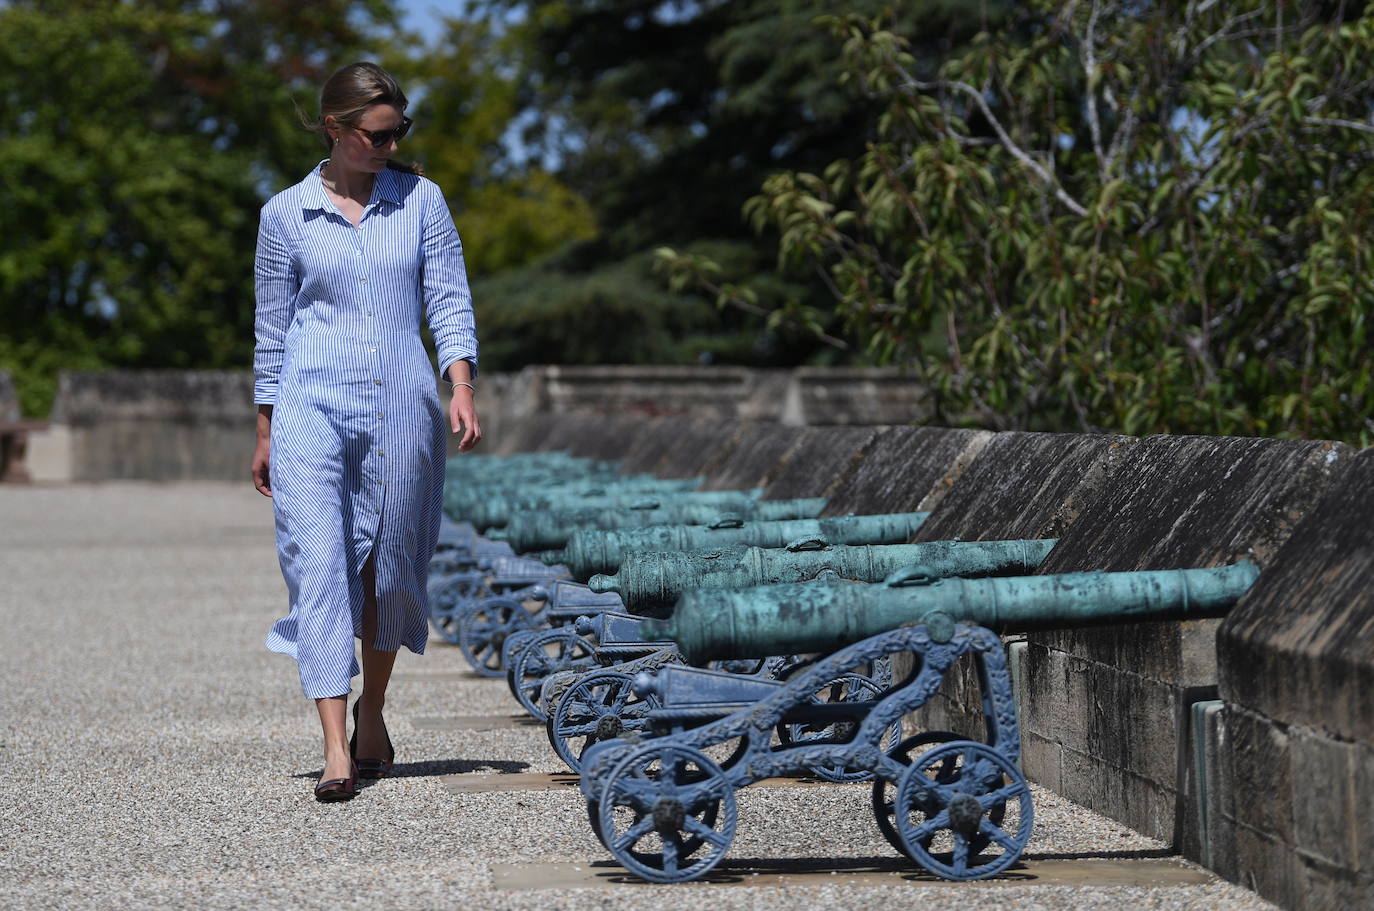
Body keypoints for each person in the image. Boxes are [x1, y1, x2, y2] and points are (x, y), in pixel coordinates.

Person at [250, 61, 480, 802]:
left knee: (390, 566)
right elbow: (271, 330)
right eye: (376, 136)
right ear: (335, 129)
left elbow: (448, 297)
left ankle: (371, 713)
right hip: (310, 406)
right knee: (318, 564)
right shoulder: (284, 214)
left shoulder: (422, 202)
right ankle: (333, 748)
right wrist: (264, 430)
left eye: (397, 134)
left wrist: (463, 386)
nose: (388, 147)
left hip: (401, 407)